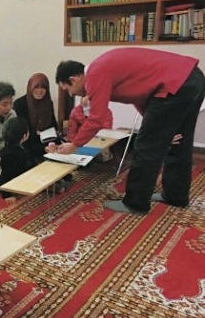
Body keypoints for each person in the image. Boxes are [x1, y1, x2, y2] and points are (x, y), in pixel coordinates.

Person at [54, 47, 205, 214]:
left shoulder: (95, 75)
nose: (70, 94)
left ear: (73, 79)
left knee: (146, 146)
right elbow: (139, 97)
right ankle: (175, 196)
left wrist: (74, 145)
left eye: (67, 89)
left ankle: (135, 203)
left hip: (175, 85)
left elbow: (97, 118)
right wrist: (160, 129)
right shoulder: (101, 69)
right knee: (180, 141)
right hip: (192, 78)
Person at [13, 73, 60, 161]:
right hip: (28, 146)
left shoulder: (48, 103)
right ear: (30, 87)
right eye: (36, 87)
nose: (40, 90)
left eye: (43, 87)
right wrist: (43, 148)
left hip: (47, 143)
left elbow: (54, 126)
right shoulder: (20, 104)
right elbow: (22, 135)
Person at [0, 117, 35, 202]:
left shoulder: (17, 146)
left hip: (23, 175)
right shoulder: (10, 153)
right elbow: (6, 175)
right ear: (25, 136)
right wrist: (7, 195)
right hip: (17, 179)